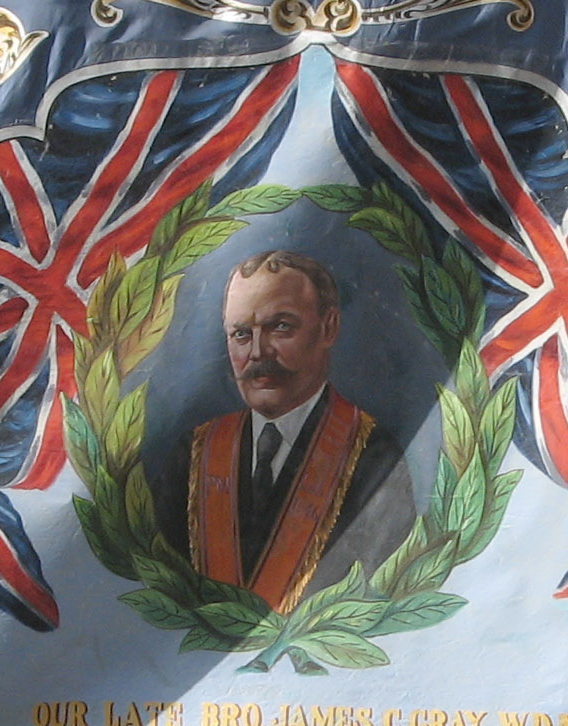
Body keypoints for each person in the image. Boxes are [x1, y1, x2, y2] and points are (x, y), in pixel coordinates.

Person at [157, 251, 415, 608]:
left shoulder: (375, 458)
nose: (258, 352)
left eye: (280, 327)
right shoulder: (192, 455)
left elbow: (381, 593)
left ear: (328, 328)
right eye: (241, 334)